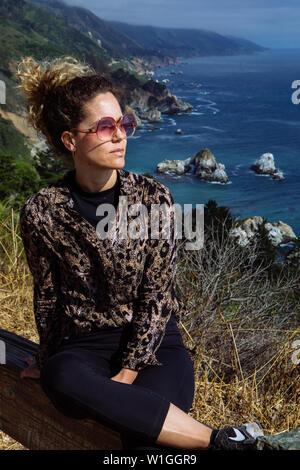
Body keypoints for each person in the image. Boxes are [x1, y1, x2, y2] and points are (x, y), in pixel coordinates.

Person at [17, 56, 263, 451]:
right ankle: (222, 442)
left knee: (141, 441)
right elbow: (47, 297)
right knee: (60, 378)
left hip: (155, 346)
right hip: (84, 347)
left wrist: (128, 373)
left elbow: (157, 295)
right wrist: (45, 358)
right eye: (104, 126)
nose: (120, 136)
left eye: (124, 123)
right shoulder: (42, 212)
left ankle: (223, 443)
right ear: (70, 140)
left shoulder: (153, 199)